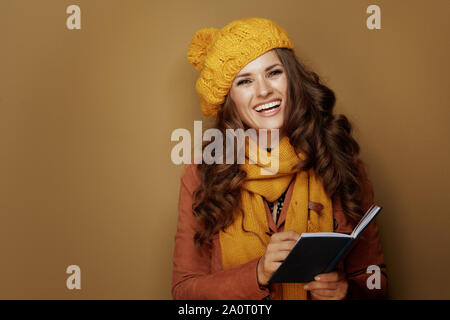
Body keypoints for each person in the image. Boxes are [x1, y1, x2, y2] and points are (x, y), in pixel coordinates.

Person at [172, 17, 387, 300]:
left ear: (292, 79)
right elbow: (184, 295)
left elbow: (376, 282)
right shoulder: (203, 174)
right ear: (229, 99)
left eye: (273, 73)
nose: (264, 90)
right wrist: (257, 273)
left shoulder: (339, 162)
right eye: (245, 80)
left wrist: (347, 293)